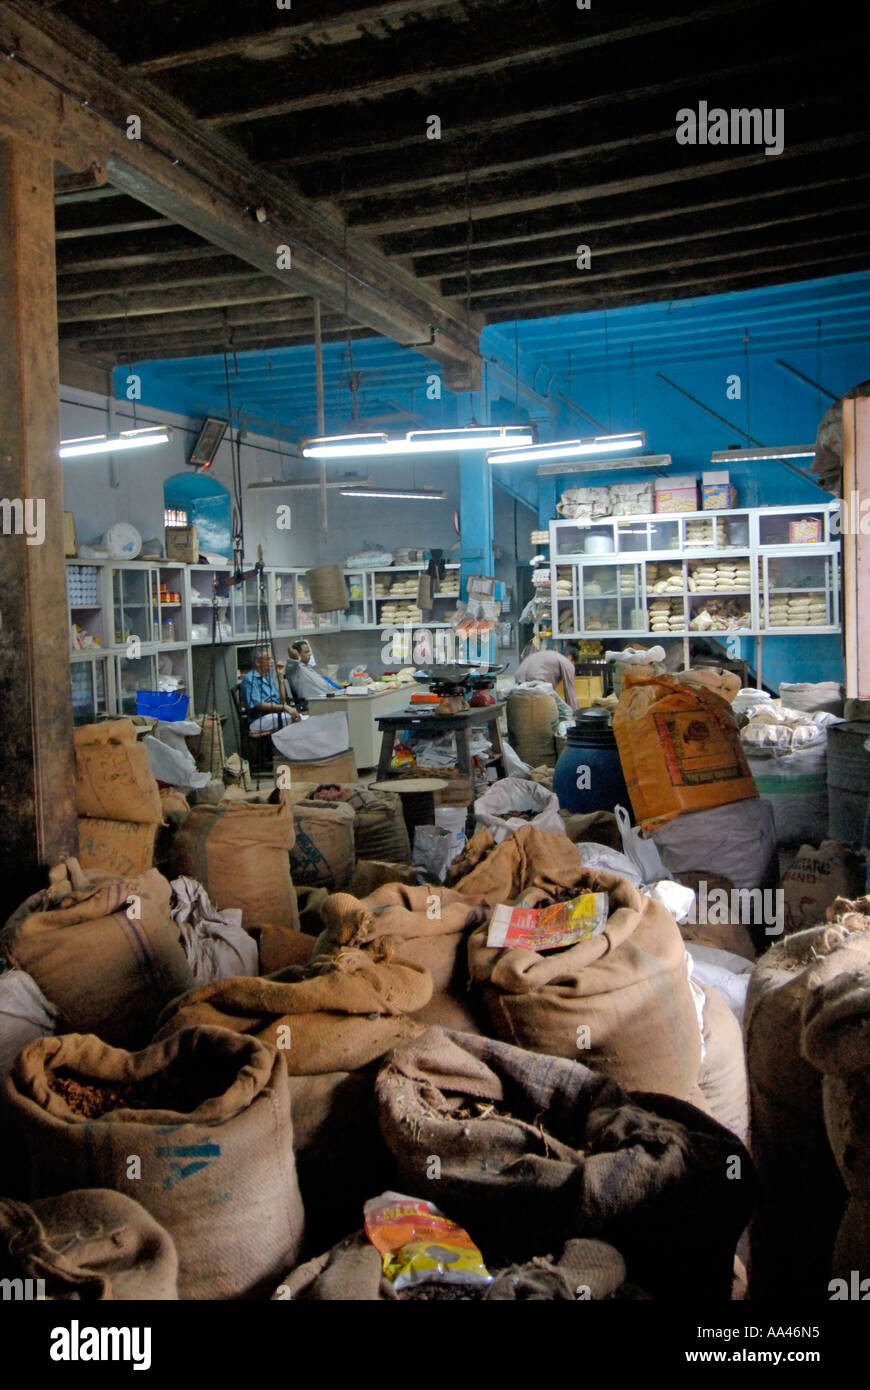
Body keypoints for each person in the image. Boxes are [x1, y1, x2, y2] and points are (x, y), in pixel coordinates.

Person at [238, 648, 300, 731]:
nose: (272, 661)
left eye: (271, 658)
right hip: (259, 719)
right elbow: (259, 705)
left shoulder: (267, 677)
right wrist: (284, 707)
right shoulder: (250, 679)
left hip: (274, 715)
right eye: (268, 659)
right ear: (257, 662)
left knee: (301, 717)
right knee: (295, 720)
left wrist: (280, 677)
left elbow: (281, 700)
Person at [513, 646, 579, 711]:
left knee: (528, 707)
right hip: (537, 679)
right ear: (570, 657)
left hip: (520, 676)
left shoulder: (551, 655)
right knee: (550, 709)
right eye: (574, 663)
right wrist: (574, 713)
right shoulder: (566, 662)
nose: (573, 665)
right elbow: (570, 692)